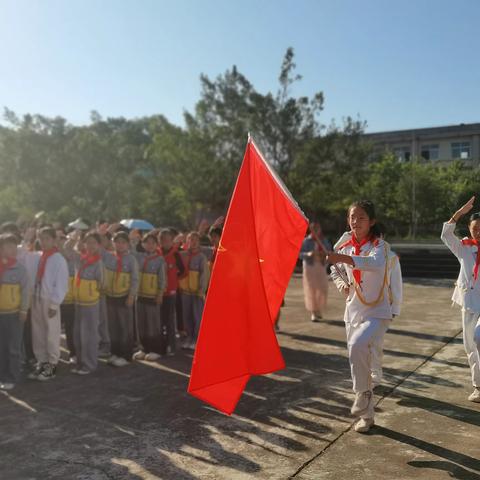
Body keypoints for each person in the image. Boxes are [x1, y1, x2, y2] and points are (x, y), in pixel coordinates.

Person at [328, 200, 392, 433]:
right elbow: (333, 269)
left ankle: (363, 393)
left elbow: (374, 264)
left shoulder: (380, 246)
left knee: (358, 345)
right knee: (358, 359)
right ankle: (367, 415)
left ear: (372, 221)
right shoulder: (343, 243)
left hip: (377, 312)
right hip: (353, 310)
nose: (356, 222)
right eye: (352, 217)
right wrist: (340, 284)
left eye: (361, 217)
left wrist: (341, 259)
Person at [441, 196, 480, 403]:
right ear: (469, 228)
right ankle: (478, 386)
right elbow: (446, 234)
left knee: (479, 337)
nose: (479, 232)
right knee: (469, 346)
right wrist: (460, 213)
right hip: (468, 302)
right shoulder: (463, 247)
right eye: (476, 228)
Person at [28, 227, 69, 381]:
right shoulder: (38, 256)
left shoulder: (58, 259)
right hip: (37, 297)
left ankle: (51, 365)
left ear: (54, 240)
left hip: (49, 300)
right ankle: (41, 361)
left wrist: (54, 304)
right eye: (41, 238)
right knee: (37, 333)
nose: (44, 242)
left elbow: (61, 284)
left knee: (51, 333)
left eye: (47, 239)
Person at [66, 232, 104, 375]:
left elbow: (101, 284)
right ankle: (81, 362)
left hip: (90, 303)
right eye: (88, 242)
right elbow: (67, 249)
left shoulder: (98, 262)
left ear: (99, 245)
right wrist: (73, 238)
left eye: (94, 243)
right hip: (79, 303)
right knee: (78, 334)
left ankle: (90, 364)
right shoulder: (80, 259)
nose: (90, 245)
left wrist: (90, 293)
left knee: (89, 335)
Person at [102, 231, 139, 367]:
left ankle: (126, 355)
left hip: (124, 297)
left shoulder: (131, 259)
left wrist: (131, 296)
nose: (120, 245)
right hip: (110, 296)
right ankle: (115, 352)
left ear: (128, 244)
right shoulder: (109, 257)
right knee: (113, 327)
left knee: (125, 327)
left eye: (123, 242)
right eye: (117, 242)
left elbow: (135, 279)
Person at [0, 234, 29, 390]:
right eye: (7, 246)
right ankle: (2, 376)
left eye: (13, 246)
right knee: (2, 347)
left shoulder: (20, 269)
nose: (11, 249)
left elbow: (25, 292)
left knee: (13, 347)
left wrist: (24, 309)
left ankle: (12, 377)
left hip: (14, 314)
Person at [132, 231, 166, 361]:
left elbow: (162, 279)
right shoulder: (139, 257)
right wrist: (134, 240)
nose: (150, 245)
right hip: (140, 295)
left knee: (153, 324)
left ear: (156, 245)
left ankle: (156, 349)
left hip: (153, 295)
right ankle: (143, 348)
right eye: (147, 243)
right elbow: (130, 249)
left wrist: (160, 293)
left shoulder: (159, 260)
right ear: (143, 244)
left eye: (153, 243)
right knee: (141, 323)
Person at [179, 232, 209, 350]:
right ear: (187, 242)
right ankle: (189, 337)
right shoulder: (183, 255)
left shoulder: (201, 257)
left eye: (196, 240)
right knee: (187, 316)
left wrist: (202, 289)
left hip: (197, 292)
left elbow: (204, 274)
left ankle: (197, 339)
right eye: (191, 239)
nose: (193, 242)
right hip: (185, 291)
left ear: (199, 242)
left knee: (197, 316)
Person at [159, 228, 185, 356]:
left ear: (171, 240)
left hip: (171, 292)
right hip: (158, 292)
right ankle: (161, 345)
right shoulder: (157, 253)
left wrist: (174, 279)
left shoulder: (176, 254)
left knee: (169, 320)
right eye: (163, 240)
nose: (165, 242)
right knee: (159, 320)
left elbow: (184, 271)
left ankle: (172, 346)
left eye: (168, 240)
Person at [299, 222, 331, 322]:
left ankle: (319, 309)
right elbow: (299, 254)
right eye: (314, 228)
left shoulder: (324, 240)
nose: (316, 230)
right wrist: (309, 254)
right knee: (311, 289)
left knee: (322, 288)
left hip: (321, 266)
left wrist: (324, 255)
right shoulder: (306, 241)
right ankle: (313, 312)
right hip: (309, 266)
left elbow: (330, 252)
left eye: (318, 228)